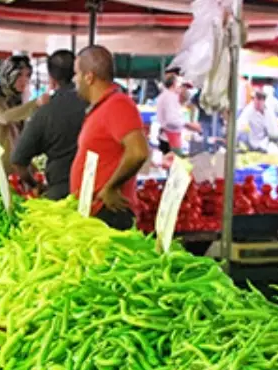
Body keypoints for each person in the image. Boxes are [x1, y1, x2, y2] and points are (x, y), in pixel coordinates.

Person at [71, 46, 148, 231]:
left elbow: (138, 152)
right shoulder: (103, 107)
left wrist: (112, 187)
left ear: (89, 77)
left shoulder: (118, 104)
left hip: (109, 213)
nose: (75, 80)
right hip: (96, 213)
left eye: (77, 74)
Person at [11, 50, 88, 200]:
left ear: (52, 79)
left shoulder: (45, 112)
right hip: (97, 191)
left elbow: (18, 161)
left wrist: (34, 185)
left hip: (60, 193)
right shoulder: (94, 104)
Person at [0, 55, 47, 171]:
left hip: (11, 168)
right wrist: (35, 103)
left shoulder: (16, 100)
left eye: (27, 75)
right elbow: (5, 117)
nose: (24, 80)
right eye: (19, 75)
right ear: (9, 74)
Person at [155, 73, 200, 154]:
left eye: (187, 88)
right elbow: (171, 120)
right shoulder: (170, 98)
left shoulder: (170, 98)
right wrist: (188, 125)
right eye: (184, 87)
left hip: (170, 138)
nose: (186, 91)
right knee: (174, 162)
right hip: (169, 139)